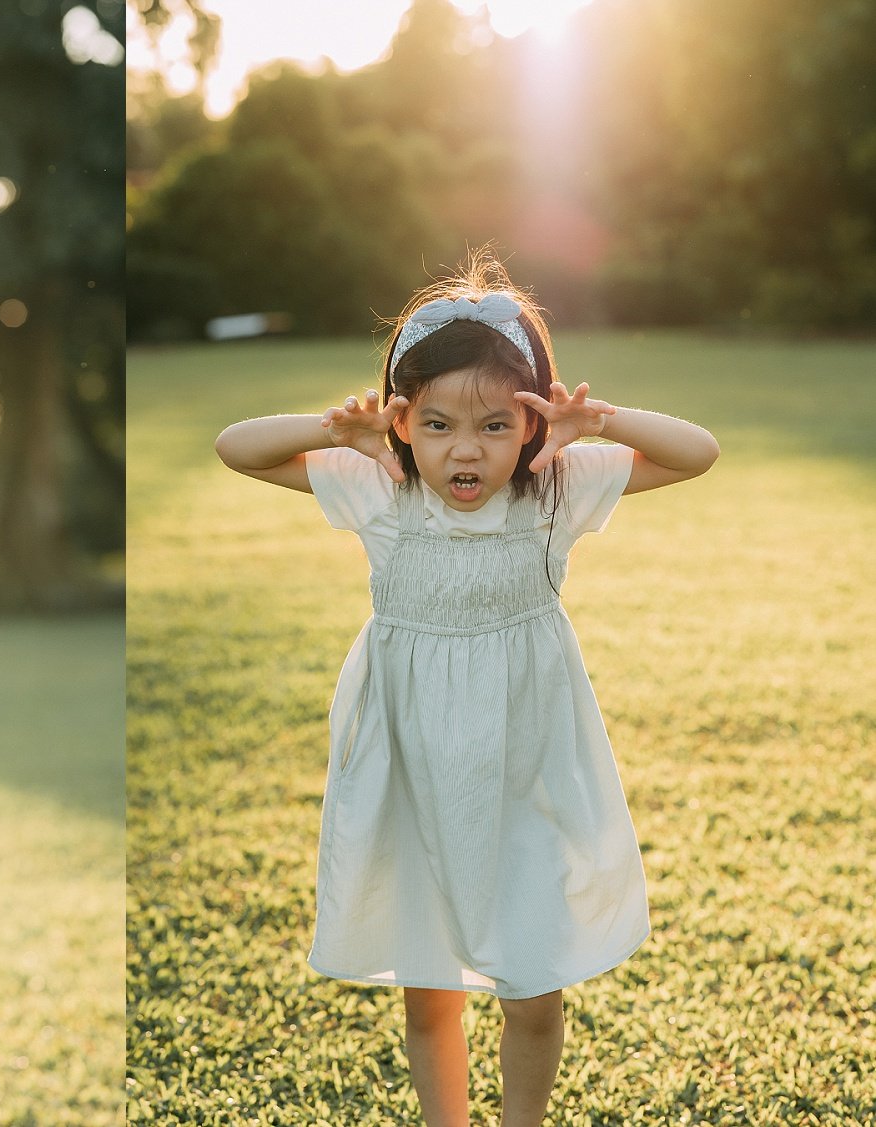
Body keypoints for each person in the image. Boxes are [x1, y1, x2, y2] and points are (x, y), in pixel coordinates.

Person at [213, 253, 719, 1127]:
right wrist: (344, 431)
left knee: (533, 986)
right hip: (413, 774)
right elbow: (236, 446)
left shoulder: (557, 487)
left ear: (532, 424)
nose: (465, 447)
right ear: (403, 421)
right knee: (430, 987)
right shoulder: (380, 488)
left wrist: (595, 419)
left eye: (494, 423)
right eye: (439, 423)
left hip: (526, 774)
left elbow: (697, 453)